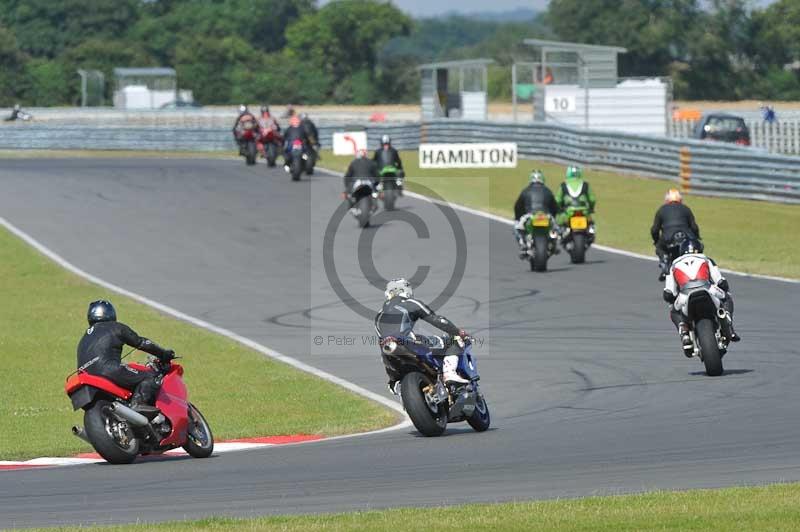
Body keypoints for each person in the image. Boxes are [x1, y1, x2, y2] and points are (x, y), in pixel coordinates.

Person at [374, 278, 471, 394]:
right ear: (405, 290)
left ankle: (395, 384)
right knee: (454, 341)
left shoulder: (378, 315)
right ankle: (449, 373)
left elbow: (382, 342)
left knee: (391, 374)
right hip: (409, 343)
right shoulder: (410, 303)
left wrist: (391, 376)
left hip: (389, 357)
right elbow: (437, 320)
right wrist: (457, 332)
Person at [76, 300, 175, 413]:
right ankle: (138, 404)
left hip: (84, 375)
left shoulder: (85, 337)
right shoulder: (116, 327)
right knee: (151, 377)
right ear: (111, 313)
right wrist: (163, 353)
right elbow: (142, 343)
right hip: (107, 369)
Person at [662, 240, 740, 357]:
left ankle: (684, 332)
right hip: (708, 289)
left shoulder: (673, 265)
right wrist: (722, 286)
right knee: (727, 297)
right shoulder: (706, 259)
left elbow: (668, 292)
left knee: (673, 311)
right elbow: (720, 281)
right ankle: (728, 324)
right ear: (699, 248)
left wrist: (671, 298)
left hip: (684, 295)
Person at [651, 188, 701, 280]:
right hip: (686, 237)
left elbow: (654, 229)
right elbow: (694, 226)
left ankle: (665, 261)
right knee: (698, 247)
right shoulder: (686, 209)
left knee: (659, 247)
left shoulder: (661, 210)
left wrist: (656, 240)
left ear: (666, 200)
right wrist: (697, 237)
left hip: (668, 238)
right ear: (680, 200)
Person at [513, 170, 559, 258]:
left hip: (530, 215)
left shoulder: (526, 190)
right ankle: (553, 244)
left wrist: (517, 217)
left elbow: (517, 206)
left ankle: (523, 245)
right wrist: (553, 215)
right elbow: (555, 206)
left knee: (517, 228)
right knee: (556, 228)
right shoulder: (548, 191)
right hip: (546, 215)